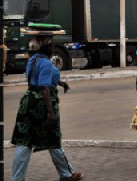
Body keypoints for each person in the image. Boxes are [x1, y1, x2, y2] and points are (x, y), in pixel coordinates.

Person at [11, 34, 84, 181]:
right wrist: (50, 112)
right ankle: (66, 174)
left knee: (25, 142)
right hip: (41, 104)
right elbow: (44, 87)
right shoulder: (45, 62)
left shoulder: (33, 59)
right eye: (50, 46)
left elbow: (37, 78)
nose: (52, 48)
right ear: (46, 48)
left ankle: (17, 178)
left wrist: (60, 83)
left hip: (28, 100)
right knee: (54, 138)